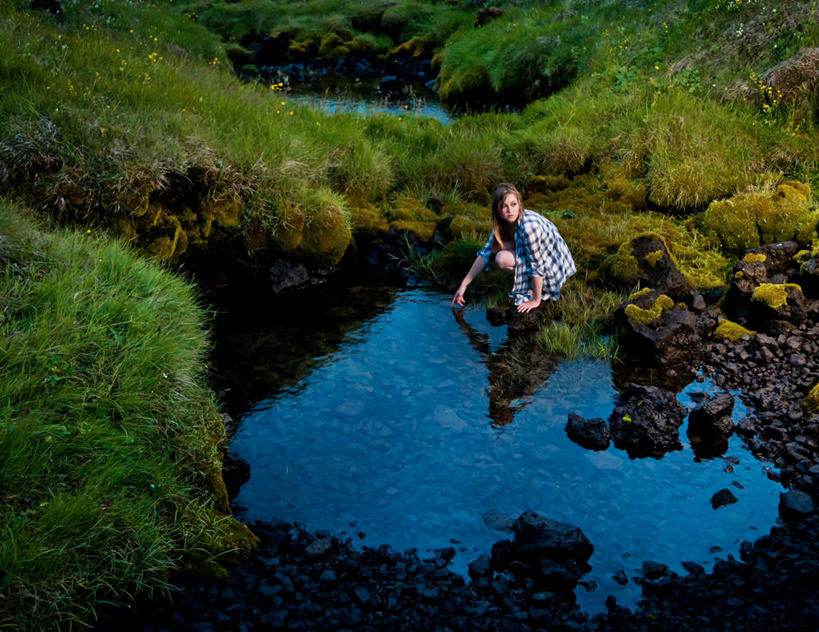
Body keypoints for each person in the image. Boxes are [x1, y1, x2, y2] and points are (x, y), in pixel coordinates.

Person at [451, 183, 576, 313]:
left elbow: (537, 265)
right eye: (504, 206)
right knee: (499, 249)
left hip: (553, 264)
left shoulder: (528, 227)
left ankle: (539, 287)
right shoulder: (502, 224)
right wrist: (463, 285)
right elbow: (486, 253)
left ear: (519, 204)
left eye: (513, 204)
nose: (510, 210)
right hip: (537, 256)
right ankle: (530, 281)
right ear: (498, 210)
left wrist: (536, 300)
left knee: (501, 258)